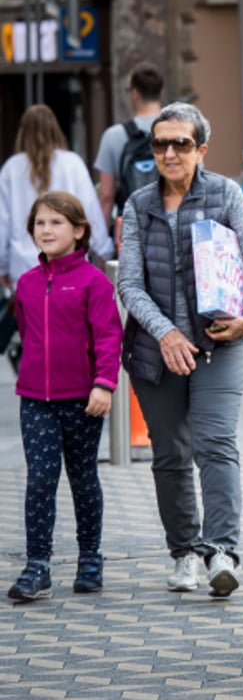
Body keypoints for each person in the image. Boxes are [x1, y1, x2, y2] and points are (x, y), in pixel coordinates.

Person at [116, 102, 243, 598]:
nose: (169, 153)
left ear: (200, 149)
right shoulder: (138, 205)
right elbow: (129, 284)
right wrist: (165, 334)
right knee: (170, 455)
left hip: (218, 345)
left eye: (180, 143)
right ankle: (184, 552)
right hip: (155, 352)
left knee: (215, 446)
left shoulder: (225, 193)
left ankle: (221, 552)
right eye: (159, 144)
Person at [7, 192, 123, 603]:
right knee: (40, 478)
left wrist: (104, 383)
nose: (46, 230)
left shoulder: (93, 281)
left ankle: (90, 558)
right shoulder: (26, 283)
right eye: (40, 223)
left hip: (84, 399)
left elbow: (109, 336)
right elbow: (22, 332)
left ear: (78, 231)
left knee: (83, 476)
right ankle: (37, 565)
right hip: (35, 398)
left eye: (56, 223)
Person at [0, 105, 114, 364]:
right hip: (69, 267)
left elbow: (2, 223)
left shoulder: (11, 168)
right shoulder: (71, 163)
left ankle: (40, 390)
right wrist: (105, 252)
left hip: (24, 270)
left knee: (35, 340)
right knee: (72, 337)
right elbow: (88, 211)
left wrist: (3, 267)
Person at [94, 62, 164, 223]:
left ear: (134, 93)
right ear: (161, 92)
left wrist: (101, 240)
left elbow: (106, 195)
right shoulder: (180, 130)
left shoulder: (113, 136)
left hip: (130, 228)